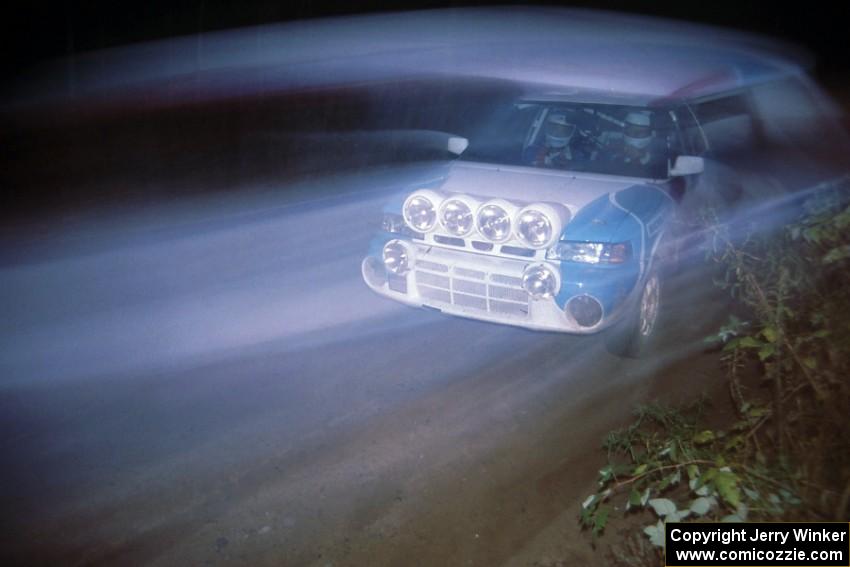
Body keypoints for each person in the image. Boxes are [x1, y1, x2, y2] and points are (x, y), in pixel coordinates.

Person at [525, 112, 594, 169]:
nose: (557, 133)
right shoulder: (533, 150)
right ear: (547, 128)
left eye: (563, 130)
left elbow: (584, 168)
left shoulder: (577, 154)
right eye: (554, 128)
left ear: (572, 132)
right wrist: (541, 158)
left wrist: (570, 165)